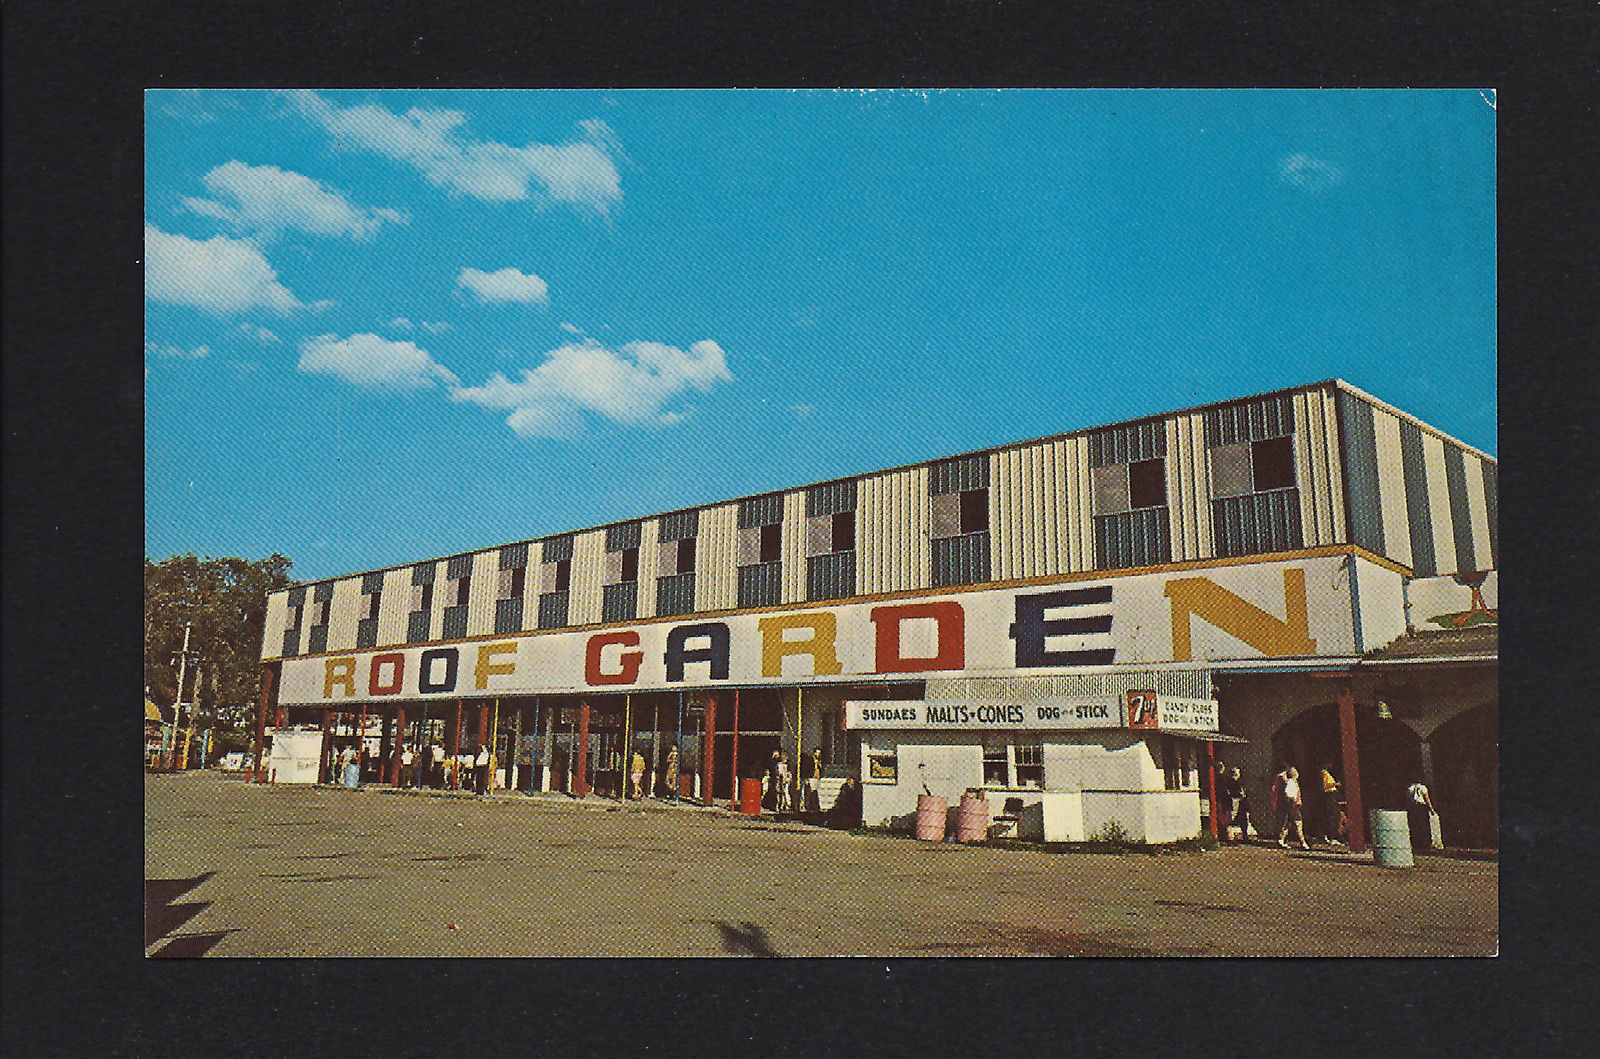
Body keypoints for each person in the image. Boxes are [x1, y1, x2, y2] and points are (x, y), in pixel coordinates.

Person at [1273, 764, 1310, 850]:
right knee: (1298, 823)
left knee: (1288, 824)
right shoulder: (1291, 782)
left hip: (1291, 805)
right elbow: (1290, 794)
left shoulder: (1292, 782)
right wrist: (1295, 801)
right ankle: (1303, 843)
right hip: (1292, 806)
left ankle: (1281, 840)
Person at [1407, 778, 1440, 851]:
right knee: (1425, 825)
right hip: (1422, 807)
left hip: (1414, 807)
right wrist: (1431, 809)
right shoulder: (1423, 788)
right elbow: (1427, 799)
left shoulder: (1411, 788)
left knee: (1416, 825)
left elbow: (1409, 798)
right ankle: (1426, 844)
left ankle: (1417, 844)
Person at [1318, 763, 1345, 846]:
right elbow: (1325, 785)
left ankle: (1333, 836)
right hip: (1329, 795)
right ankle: (1332, 836)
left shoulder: (1328, 774)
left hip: (1333, 794)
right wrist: (1335, 784)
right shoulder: (1324, 773)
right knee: (1332, 815)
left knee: (1336, 815)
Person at [1229, 767, 1253, 841]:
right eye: (1233, 773)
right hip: (1234, 801)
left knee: (1243, 820)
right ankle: (1230, 836)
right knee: (1232, 818)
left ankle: (1244, 835)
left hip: (1242, 803)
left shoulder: (1242, 782)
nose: (1235, 775)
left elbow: (1245, 792)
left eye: (1236, 774)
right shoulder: (1231, 782)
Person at [804, 749, 824, 814]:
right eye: (817, 753)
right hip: (811, 777)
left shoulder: (819, 761)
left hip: (817, 777)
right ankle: (809, 806)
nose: (818, 755)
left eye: (819, 753)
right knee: (810, 792)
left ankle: (816, 806)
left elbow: (820, 769)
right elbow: (807, 769)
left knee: (815, 792)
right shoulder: (810, 760)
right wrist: (807, 778)